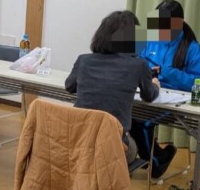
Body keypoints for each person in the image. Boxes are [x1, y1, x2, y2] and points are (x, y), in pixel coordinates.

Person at [65, 11, 160, 164]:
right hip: (112, 148)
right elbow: (149, 96)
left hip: (78, 143)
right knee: (133, 145)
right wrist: (155, 84)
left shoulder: (83, 60)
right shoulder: (139, 65)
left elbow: (69, 86)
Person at [131, 0, 200, 177]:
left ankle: (155, 163)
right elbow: (134, 59)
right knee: (126, 116)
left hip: (174, 102)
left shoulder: (192, 48)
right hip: (148, 92)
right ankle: (157, 155)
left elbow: (199, 82)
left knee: (141, 122)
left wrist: (168, 72)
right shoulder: (150, 39)